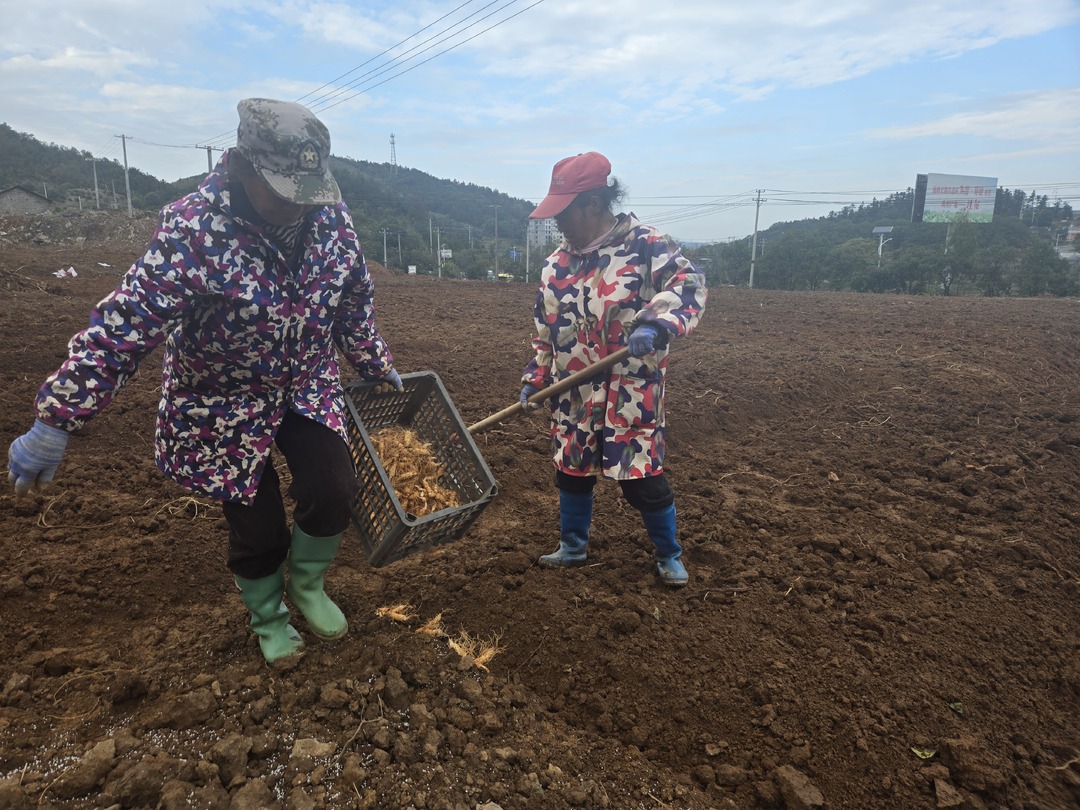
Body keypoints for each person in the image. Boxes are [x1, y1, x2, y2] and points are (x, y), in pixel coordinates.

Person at [6, 98, 402, 665]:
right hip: (219, 401)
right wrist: (57, 415)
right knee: (258, 522)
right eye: (283, 190)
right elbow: (129, 321)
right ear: (241, 166)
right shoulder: (193, 229)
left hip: (305, 382)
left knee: (335, 487)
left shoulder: (328, 218)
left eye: (307, 191)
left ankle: (307, 586)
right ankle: (268, 615)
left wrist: (371, 358)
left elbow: (353, 299)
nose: (297, 206)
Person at [520, 151, 707, 587]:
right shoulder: (555, 266)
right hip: (573, 392)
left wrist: (659, 322)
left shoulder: (646, 245)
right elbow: (545, 332)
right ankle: (572, 547)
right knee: (571, 471)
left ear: (594, 204)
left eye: (564, 212)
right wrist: (535, 378)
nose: (559, 223)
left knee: (641, 479)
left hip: (630, 391)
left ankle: (669, 553)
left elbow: (689, 285)